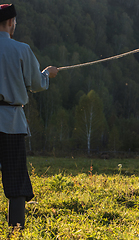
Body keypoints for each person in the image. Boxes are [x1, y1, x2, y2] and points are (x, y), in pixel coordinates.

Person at [0, 3, 58, 228]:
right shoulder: (22, 50)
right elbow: (36, 84)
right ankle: (16, 230)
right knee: (15, 178)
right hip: (12, 123)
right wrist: (48, 74)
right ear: (11, 22)